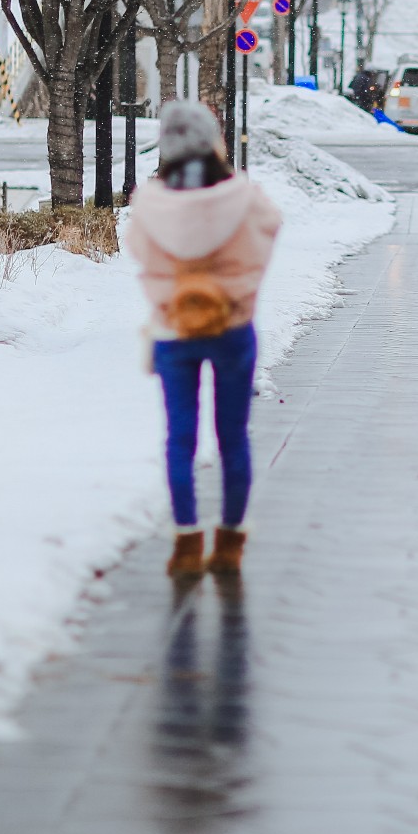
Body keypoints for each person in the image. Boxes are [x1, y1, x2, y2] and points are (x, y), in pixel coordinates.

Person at [123, 102, 282, 578]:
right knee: (233, 437)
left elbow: (137, 251)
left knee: (180, 438)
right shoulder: (245, 199)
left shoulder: (149, 204)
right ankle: (230, 542)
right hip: (233, 327)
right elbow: (271, 228)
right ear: (213, 140)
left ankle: (187, 542)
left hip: (175, 330)